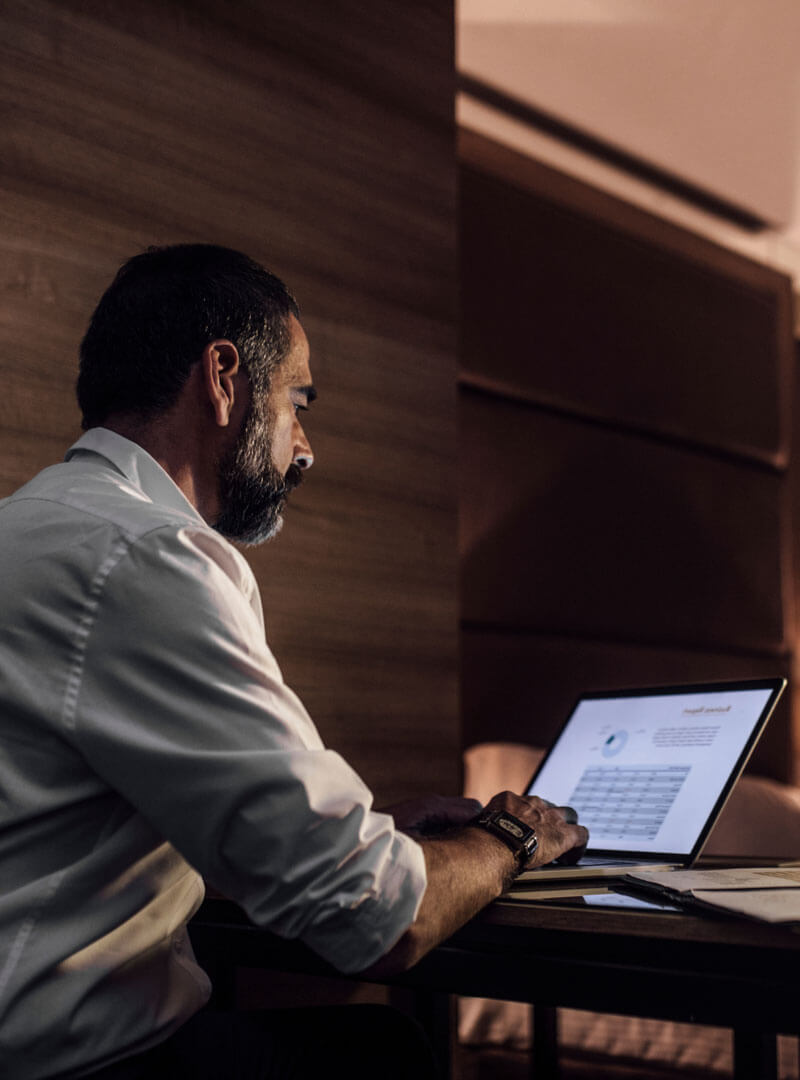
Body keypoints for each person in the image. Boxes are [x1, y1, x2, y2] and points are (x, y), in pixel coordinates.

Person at [0, 245, 586, 1080]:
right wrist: (510, 835)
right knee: (384, 1053)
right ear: (225, 377)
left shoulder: (29, 529)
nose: (304, 449)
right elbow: (382, 919)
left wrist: (353, 828)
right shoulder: (150, 555)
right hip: (62, 1067)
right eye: (296, 402)